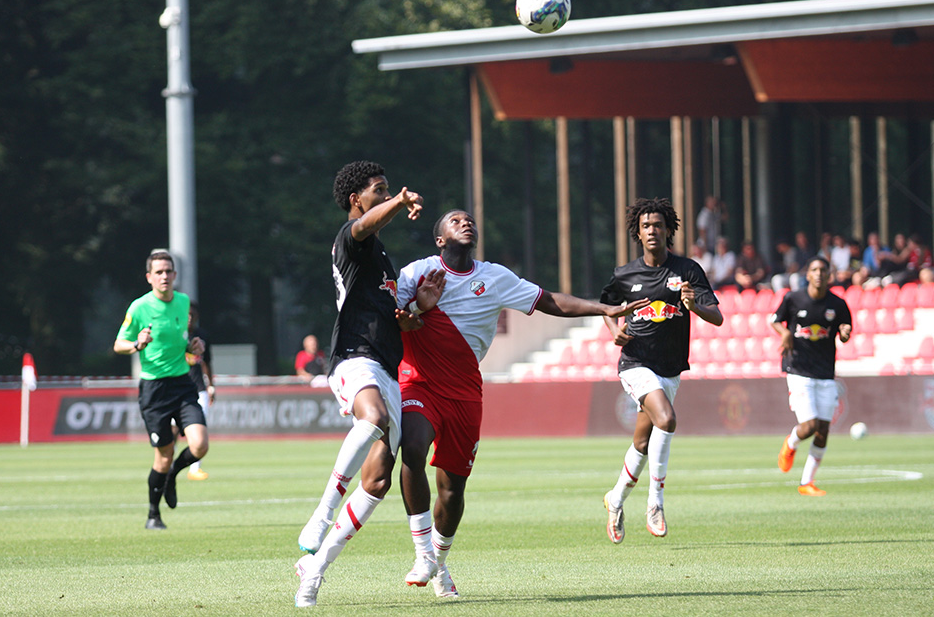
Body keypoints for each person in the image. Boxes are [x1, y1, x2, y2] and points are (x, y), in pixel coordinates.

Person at [395, 209, 650, 598]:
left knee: (452, 489)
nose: (466, 223)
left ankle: (440, 564)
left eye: (469, 219)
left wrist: (603, 308)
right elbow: (392, 317)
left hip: (464, 392)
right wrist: (416, 311)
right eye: (454, 221)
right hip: (419, 382)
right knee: (411, 447)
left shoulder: (495, 277)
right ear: (440, 240)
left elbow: (549, 301)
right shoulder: (417, 273)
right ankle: (422, 554)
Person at [293, 161, 445, 608]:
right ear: (356, 201)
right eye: (377, 190)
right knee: (373, 417)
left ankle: (314, 569)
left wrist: (418, 310)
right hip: (353, 359)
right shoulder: (351, 240)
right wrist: (399, 199)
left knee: (377, 482)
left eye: (386, 189)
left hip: (387, 369)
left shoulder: (382, 259)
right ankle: (321, 513)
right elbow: (363, 228)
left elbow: (400, 322)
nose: (384, 195)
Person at [601, 198, 723, 544]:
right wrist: (615, 331)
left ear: (669, 230)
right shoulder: (625, 275)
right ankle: (655, 503)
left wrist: (694, 305)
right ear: (637, 233)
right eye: (646, 226)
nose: (652, 230)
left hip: (670, 369)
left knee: (642, 441)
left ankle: (615, 499)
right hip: (635, 362)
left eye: (658, 225)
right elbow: (607, 308)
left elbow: (717, 317)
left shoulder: (688, 270)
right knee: (666, 420)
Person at [113, 250, 208, 530]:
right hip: (154, 389)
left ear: (175, 275)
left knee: (200, 445)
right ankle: (153, 515)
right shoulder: (139, 307)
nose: (164, 276)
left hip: (182, 383)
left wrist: (193, 348)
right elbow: (119, 344)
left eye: (168, 271)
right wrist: (137, 344)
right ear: (149, 278)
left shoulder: (182, 303)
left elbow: (184, 341)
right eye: (159, 272)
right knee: (164, 455)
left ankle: (172, 477)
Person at [773, 256, 852, 496]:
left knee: (823, 429)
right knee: (809, 426)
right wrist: (785, 333)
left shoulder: (837, 304)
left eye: (823, 270)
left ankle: (807, 482)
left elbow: (845, 329)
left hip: (826, 373)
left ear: (829, 275)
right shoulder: (793, 298)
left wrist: (845, 332)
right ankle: (791, 443)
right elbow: (775, 321)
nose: (819, 274)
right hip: (799, 370)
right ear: (807, 274)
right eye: (814, 270)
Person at [185, 300, 215, 481]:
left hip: (199, 389)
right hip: (178, 390)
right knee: (172, 431)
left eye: (192, 315)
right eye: (186, 315)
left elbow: (207, 363)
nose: (189, 319)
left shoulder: (202, 335)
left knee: (200, 428)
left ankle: (195, 468)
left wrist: (211, 386)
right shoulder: (176, 336)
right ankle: (168, 466)